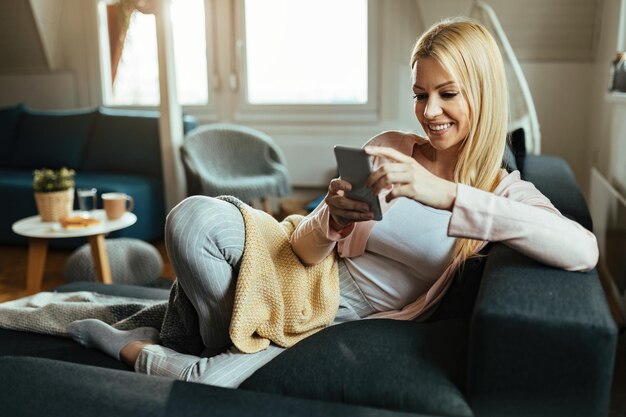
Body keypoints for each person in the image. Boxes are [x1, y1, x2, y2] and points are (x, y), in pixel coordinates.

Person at [66, 17, 598, 387]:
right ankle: (219, 328)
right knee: (189, 220)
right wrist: (330, 222)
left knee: (214, 379)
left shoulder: (506, 194)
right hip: (300, 268)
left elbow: (583, 250)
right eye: (420, 94)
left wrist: (448, 193)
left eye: (447, 93)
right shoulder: (391, 147)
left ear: (482, 91)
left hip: (330, 315)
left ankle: (133, 344)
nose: (428, 110)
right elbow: (303, 247)